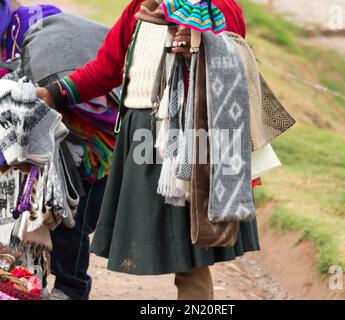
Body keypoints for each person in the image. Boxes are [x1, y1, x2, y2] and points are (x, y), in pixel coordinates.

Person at [37, 0, 260, 300]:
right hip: (140, 131)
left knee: (192, 251)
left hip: (189, 134)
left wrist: (195, 42)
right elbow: (106, 68)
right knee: (169, 241)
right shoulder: (140, 8)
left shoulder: (217, 6)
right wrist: (54, 94)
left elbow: (232, 58)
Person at [0, 0, 110, 300]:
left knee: (69, 216)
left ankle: (71, 288)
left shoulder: (33, 36)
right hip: (70, 135)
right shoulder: (24, 30)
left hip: (97, 141)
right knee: (44, 208)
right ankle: (36, 279)